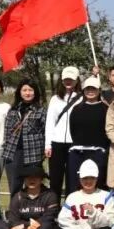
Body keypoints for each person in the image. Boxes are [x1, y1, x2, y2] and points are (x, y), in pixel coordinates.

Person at [50, 159, 114, 229]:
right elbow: (63, 220)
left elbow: (112, 222)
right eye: (85, 178)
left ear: (97, 178)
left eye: (92, 178)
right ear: (80, 179)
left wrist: (94, 213)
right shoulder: (72, 196)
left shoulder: (106, 196)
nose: (88, 181)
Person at [2, 78, 46, 196]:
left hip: (33, 154)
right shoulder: (13, 110)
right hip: (14, 153)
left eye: (30, 90)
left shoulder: (41, 111)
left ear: (35, 92)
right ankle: (15, 207)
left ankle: (32, 207)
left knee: (33, 186)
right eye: (24, 90)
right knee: (14, 186)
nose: (27, 93)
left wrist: (43, 152)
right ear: (19, 92)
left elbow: (45, 132)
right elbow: (7, 132)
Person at [67, 76, 110, 194]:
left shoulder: (106, 109)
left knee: (98, 183)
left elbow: (108, 131)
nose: (90, 91)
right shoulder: (76, 108)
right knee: (76, 185)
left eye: (93, 89)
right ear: (83, 90)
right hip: (78, 152)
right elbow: (73, 130)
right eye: (88, 89)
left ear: (99, 90)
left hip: (98, 152)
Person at [45, 66, 81, 195]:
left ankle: (70, 205)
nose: (68, 82)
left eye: (71, 79)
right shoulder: (55, 99)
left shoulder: (82, 98)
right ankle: (54, 204)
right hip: (57, 142)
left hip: (74, 143)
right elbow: (50, 122)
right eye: (66, 79)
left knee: (73, 178)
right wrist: (48, 144)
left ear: (77, 80)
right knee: (55, 178)